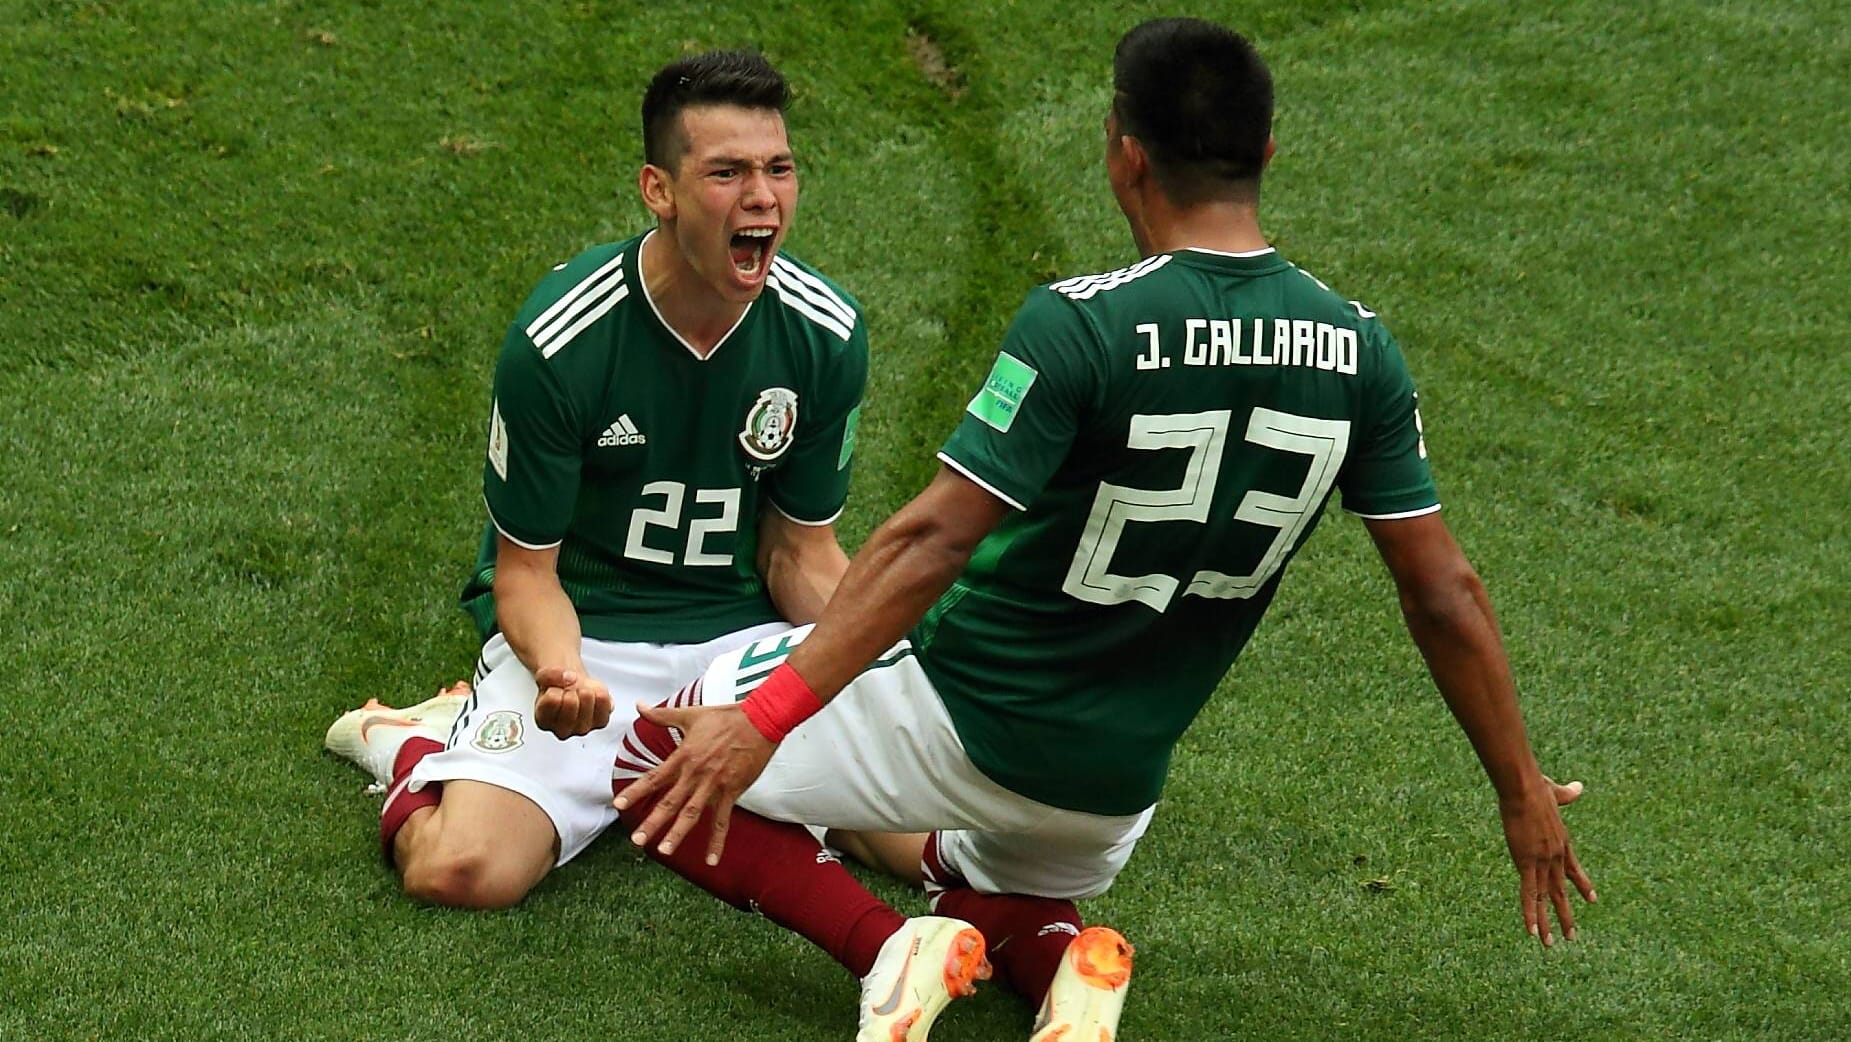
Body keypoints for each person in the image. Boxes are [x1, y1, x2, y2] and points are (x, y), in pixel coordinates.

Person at [566, 17, 1596, 1041]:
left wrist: (767, 717)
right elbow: (1443, 593)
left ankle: (886, 946)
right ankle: (1057, 951)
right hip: (1113, 796)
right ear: (1268, 153)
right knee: (975, 874)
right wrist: (1518, 791)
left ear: (1124, 151)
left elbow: (931, 541)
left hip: (967, 718)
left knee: (655, 754)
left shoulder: (1083, 322)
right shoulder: (1361, 349)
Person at [322, 49, 874, 911]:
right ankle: (414, 747)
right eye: (726, 172)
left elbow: (799, 555)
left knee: (930, 835)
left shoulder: (823, 333)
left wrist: (885, 663)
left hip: (739, 647)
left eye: (778, 169)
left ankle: (622, 769)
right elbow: (524, 572)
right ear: (659, 190)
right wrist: (561, 675)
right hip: (589, 641)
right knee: (459, 872)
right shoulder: (561, 340)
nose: (762, 197)